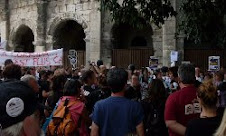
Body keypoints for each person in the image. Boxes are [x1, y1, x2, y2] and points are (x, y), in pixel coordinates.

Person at [91, 68, 144, 136]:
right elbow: (141, 133)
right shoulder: (135, 107)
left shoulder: (99, 106)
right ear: (125, 85)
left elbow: (94, 133)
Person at [164, 64, 201, 136]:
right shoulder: (203, 95)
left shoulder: (173, 98)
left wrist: (189, 133)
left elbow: (170, 122)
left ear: (179, 78)